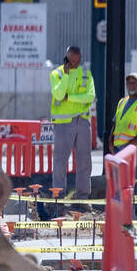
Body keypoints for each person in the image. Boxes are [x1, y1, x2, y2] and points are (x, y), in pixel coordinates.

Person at [49, 45, 96, 201]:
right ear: (66, 59)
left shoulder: (86, 74)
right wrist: (67, 76)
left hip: (82, 121)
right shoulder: (56, 74)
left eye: (77, 61)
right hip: (63, 123)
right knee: (60, 162)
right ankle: (59, 199)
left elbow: (90, 97)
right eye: (72, 61)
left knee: (84, 161)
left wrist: (70, 98)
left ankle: (82, 198)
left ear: (80, 58)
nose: (75, 64)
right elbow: (59, 93)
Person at [110, 72, 137, 208]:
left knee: (136, 178)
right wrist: (110, 141)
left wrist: (132, 143)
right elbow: (115, 124)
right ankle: (121, 207)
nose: (131, 85)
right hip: (118, 147)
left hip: (134, 148)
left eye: (134, 82)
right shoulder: (122, 102)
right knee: (119, 179)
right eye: (129, 82)